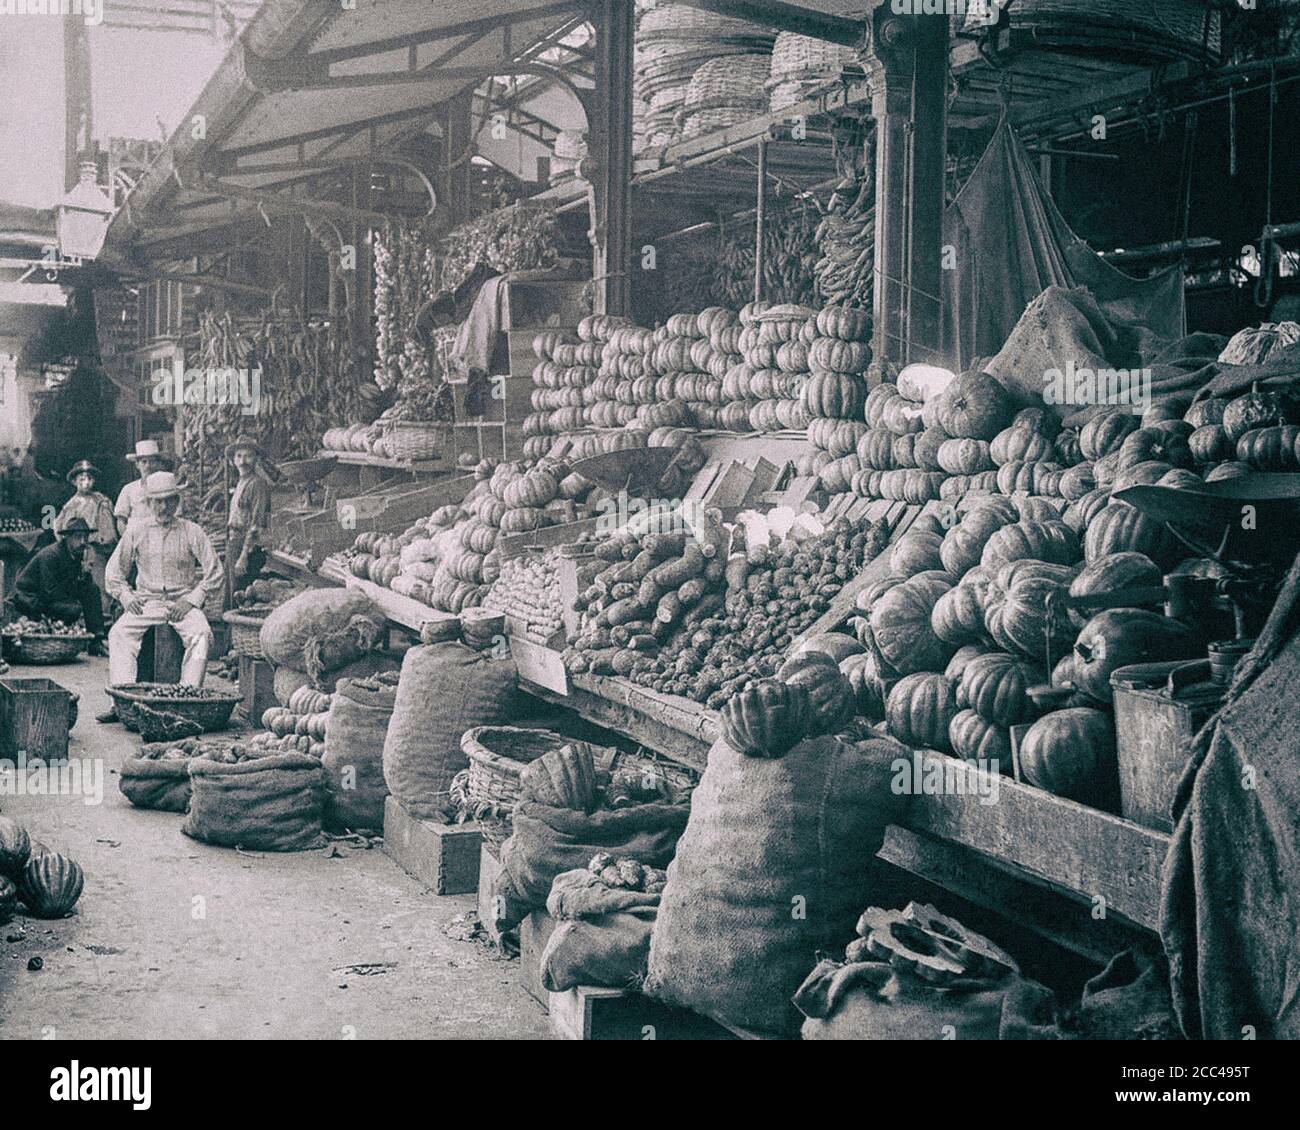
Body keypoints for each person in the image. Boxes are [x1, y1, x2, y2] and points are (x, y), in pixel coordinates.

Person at [100, 471, 223, 712]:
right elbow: (113, 572)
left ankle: (186, 697)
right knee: (118, 634)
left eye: (169, 500)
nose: (163, 506)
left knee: (201, 635)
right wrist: (126, 596)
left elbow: (215, 572)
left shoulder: (192, 531)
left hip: (182, 603)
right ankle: (122, 702)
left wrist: (192, 600)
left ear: (177, 502)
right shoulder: (136, 531)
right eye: (157, 501)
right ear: (148, 503)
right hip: (147, 603)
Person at [6, 517, 107, 653]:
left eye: (85, 537)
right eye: (78, 537)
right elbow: (50, 592)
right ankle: (61, 638)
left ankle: (96, 640)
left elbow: (78, 587)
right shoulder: (51, 555)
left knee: (92, 589)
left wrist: (85, 574)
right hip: (29, 598)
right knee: (72, 609)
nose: (83, 542)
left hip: (50, 596)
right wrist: (75, 603)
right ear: (67, 538)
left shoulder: (76, 554)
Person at [57, 460, 117, 614]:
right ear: (75, 481)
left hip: (96, 551)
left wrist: (101, 541)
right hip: (77, 552)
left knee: (99, 585)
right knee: (75, 585)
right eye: (82, 479)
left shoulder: (101, 501)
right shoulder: (70, 505)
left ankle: (103, 618)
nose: (87, 483)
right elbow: (60, 528)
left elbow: (108, 530)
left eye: (90, 479)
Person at [226, 435, 271, 592]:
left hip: (247, 547)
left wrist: (244, 556)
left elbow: (257, 524)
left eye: (248, 456)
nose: (243, 461)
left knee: (241, 594)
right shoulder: (241, 481)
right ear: (233, 460)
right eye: (239, 456)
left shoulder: (257, 484)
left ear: (256, 459)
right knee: (231, 593)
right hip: (235, 541)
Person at [114, 439, 168, 536]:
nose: (148, 466)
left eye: (152, 461)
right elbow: (121, 522)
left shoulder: (167, 488)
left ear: (158, 464)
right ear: (137, 465)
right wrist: (129, 541)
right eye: (144, 462)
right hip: (136, 539)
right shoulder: (128, 489)